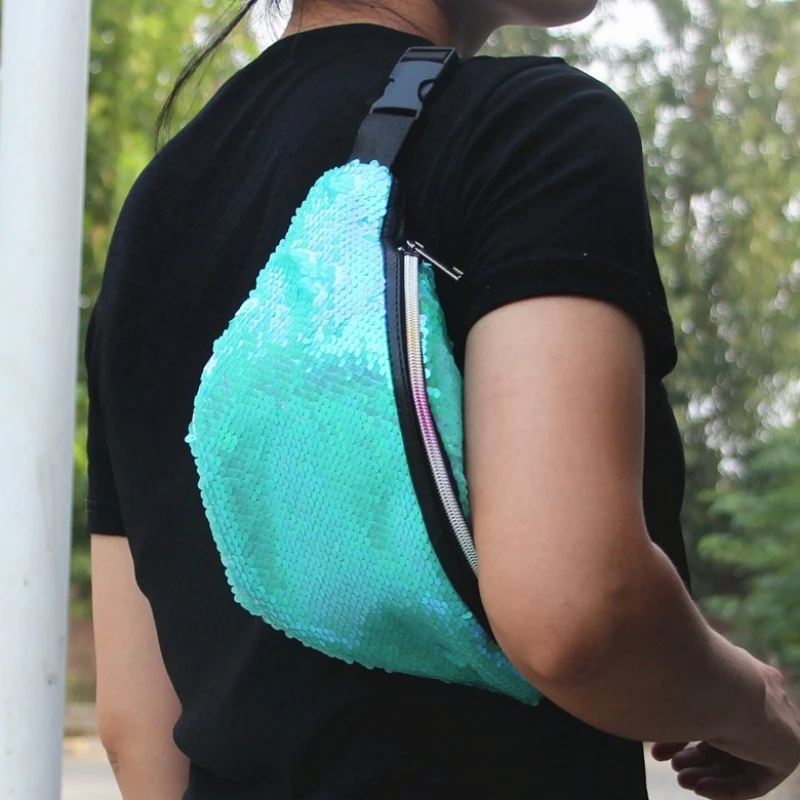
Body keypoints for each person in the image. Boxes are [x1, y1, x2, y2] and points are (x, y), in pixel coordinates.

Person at [85, 0, 800, 797]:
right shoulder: (528, 127)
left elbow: (138, 728)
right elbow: (573, 610)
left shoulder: (154, 211)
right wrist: (752, 707)